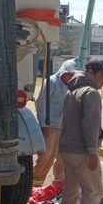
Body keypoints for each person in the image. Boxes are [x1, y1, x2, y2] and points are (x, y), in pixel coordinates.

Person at [59, 60, 103, 204]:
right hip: (83, 152)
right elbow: (90, 125)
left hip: (67, 150)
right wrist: (92, 152)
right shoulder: (91, 94)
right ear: (91, 72)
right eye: (102, 76)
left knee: (71, 190)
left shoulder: (70, 92)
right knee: (92, 192)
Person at [32, 59, 78, 188]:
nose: (72, 77)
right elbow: (41, 104)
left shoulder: (72, 85)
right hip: (51, 126)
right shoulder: (51, 82)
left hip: (65, 125)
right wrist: (43, 125)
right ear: (63, 73)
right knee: (47, 156)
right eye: (70, 75)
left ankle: (59, 183)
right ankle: (35, 184)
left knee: (63, 157)